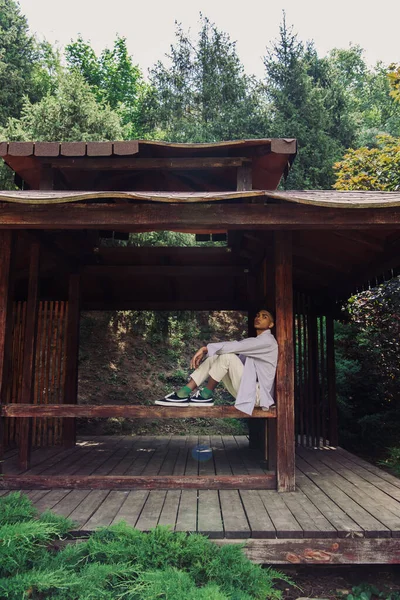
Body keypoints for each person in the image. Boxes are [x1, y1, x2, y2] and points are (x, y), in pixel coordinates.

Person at [155, 309, 278, 415]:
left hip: (258, 396)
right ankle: (184, 392)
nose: (258, 318)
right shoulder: (256, 341)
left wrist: (205, 348)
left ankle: (205, 395)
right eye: (257, 315)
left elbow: (236, 346)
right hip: (247, 390)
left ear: (271, 324)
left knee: (227, 356)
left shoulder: (267, 341)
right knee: (216, 357)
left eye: (264, 316)